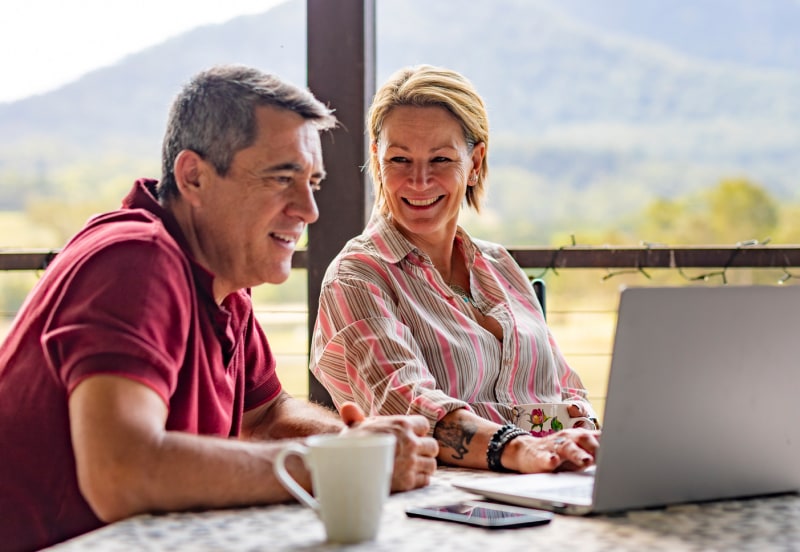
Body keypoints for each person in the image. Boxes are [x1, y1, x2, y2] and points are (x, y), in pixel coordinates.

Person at [0, 65, 439, 552]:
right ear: (194, 177)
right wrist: (331, 465)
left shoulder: (221, 277)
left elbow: (268, 415)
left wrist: (360, 445)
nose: (309, 209)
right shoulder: (136, 259)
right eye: (281, 177)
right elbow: (122, 472)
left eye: (312, 181)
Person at [310, 65, 600, 475]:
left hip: (557, 478)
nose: (419, 180)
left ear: (475, 162)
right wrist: (522, 450)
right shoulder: (357, 277)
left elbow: (567, 389)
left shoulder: (500, 265)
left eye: (441, 158)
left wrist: (586, 439)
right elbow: (408, 406)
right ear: (377, 160)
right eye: (400, 159)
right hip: (443, 501)